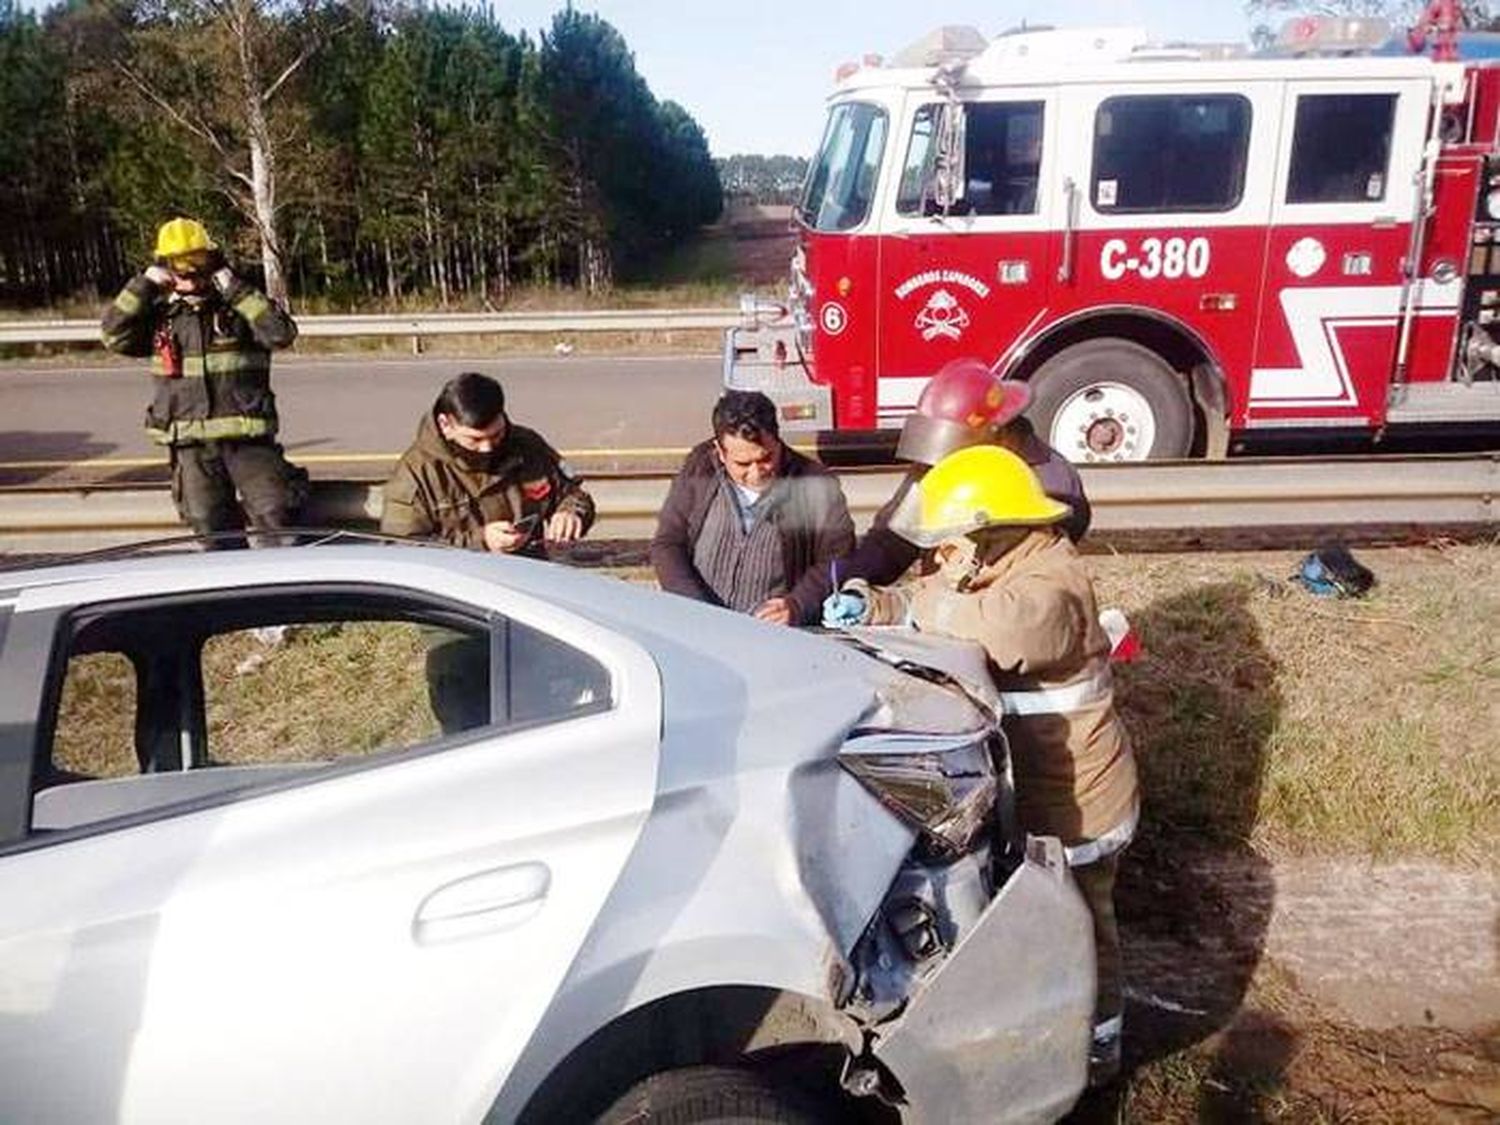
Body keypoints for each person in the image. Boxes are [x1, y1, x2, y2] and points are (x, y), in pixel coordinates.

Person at [830, 445, 1139, 1086]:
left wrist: (914, 607)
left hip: (1079, 798)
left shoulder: (1052, 584)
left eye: (952, 543)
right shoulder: (996, 565)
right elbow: (935, 595)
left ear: (990, 530)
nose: (943, 557)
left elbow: (989, 628)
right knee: (1035, 922)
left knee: (1082, 926)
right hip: (1038, 792)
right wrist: (876, 603)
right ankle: (1043, 1030)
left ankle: (1099, 1051)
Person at [826, 358, 1089, 614]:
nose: (938, 468)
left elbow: (1029, 588)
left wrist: (938, 611)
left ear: (998, 434)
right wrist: (839, 582)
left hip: (1003, 616)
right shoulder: (941, 461)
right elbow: (892, 542)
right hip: (944, 606)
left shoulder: (1054, 484)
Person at [101, 216, 304, 546]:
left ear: (213, 259)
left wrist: (233, 286)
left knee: (277, 512)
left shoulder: (238, 305)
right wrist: (143, 286)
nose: (191, 273)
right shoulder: (158, 315)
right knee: (209, 525)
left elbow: (281, 333)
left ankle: (284, 591)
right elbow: (113, 335)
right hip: (191, 447)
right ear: (163, 265)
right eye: (181, 263)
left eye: (198, 260)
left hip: (247, 442)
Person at [651, 390, 854, 626]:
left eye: (766, 458)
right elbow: (667, 544)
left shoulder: (816, 484)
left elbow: (839, 560)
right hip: (697, 626)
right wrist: (695, 607)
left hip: (770, 637)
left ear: (777, 440)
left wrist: (798, 604)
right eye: (743, 464)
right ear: (720, 451)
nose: (756, 473)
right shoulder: (700, 466)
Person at [380, 371, 594, 558]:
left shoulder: (527, 446)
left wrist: (570, 512)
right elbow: (401, 549)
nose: (487, 448)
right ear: (446, 425)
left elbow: (573, 494)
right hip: (459, 590)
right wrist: (480, 542)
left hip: (529, 577)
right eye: (475, 440)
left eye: (496, 435)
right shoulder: (417, 473)